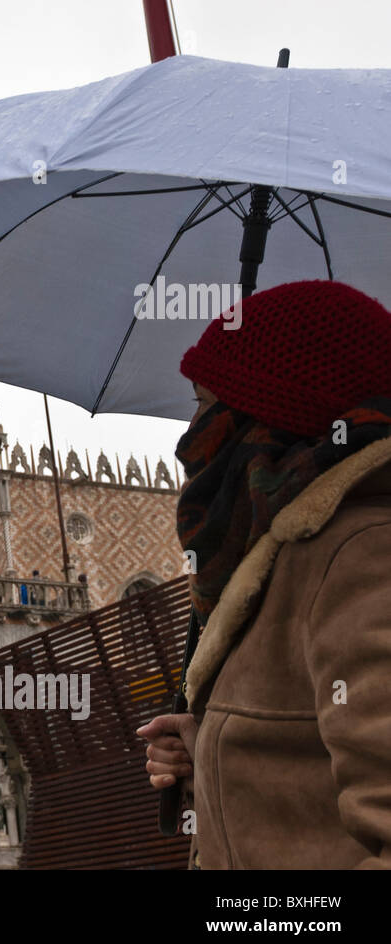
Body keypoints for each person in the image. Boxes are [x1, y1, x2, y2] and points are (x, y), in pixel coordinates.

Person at [138, 280, 391, 869]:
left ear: (269, 418)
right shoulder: (281, 561)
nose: (189, 435)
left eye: (205, 405)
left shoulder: (361, 553)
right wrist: (211, 747)